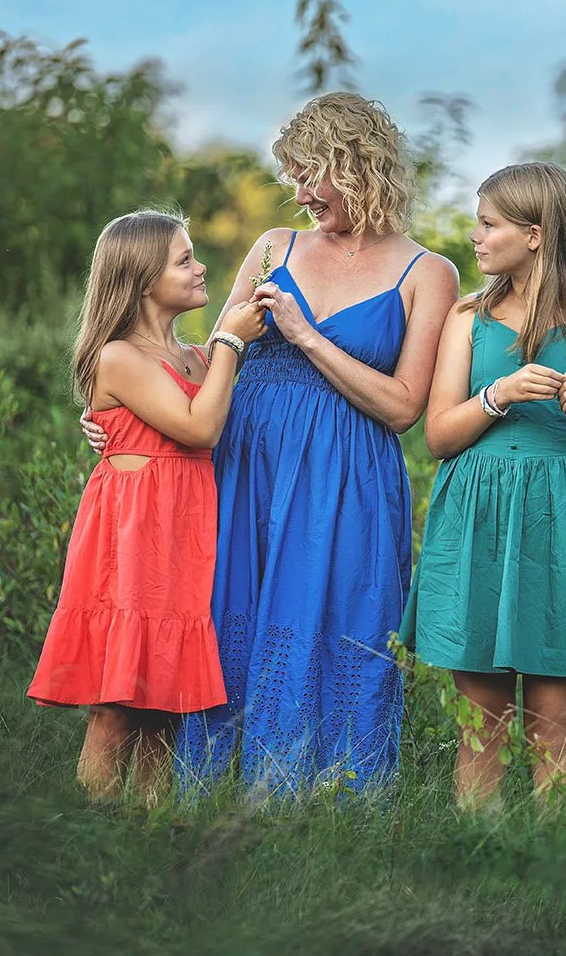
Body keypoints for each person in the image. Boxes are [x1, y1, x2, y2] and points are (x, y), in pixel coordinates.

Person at [86, 93, 456, 795]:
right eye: (292, 175)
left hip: (347, 475)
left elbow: (405, 406)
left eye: (310, 173)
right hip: (246, 463)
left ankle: (327, 798)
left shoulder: (428, 272)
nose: (299, 192)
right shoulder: (273, 247)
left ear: (358, 165)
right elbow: (210, 353)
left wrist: (309, 336)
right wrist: (128, 410)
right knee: (229, 613)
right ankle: (204, 797)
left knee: (337, 615)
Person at [401, 160, 566, 813]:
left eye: (489, 225)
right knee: (478, 729)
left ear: (537, 233)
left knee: (556, 728)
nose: (476, 237)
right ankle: (482, 860)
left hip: (561, 529)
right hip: (476, 521)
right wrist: (499, 394)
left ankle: (559, 870)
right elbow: (438, 436)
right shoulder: (468, 319)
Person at [29, 209, 268, 806]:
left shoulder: (193, 357)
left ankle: (152, 833)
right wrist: (233, 341)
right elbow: (200, 427)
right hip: (134, 535)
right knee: (118, 705)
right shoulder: (117, 356)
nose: (201, 266)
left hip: (185, 530)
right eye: (184, 260)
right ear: (140, 280)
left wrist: (224, 350)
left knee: (165, 701)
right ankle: (96, 831)